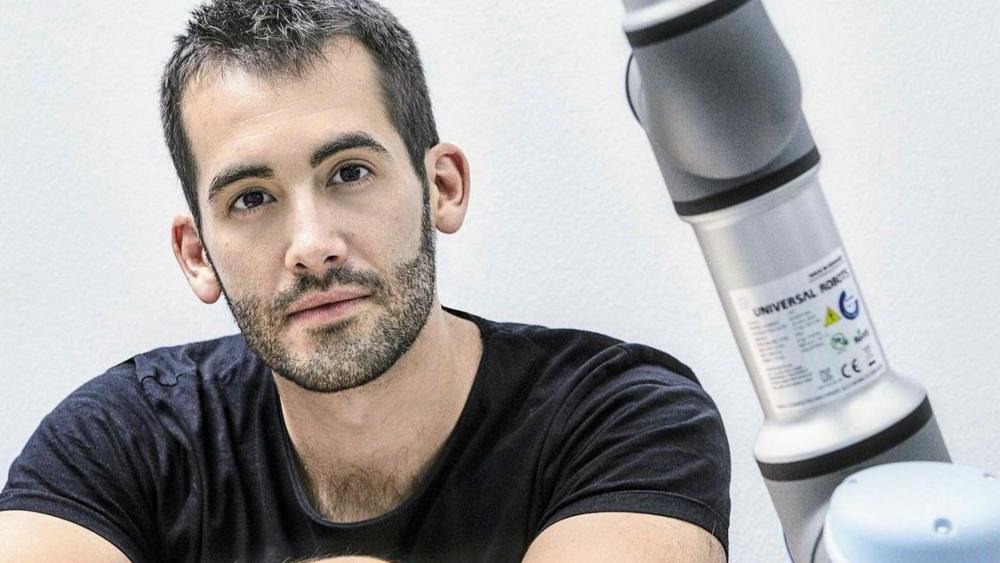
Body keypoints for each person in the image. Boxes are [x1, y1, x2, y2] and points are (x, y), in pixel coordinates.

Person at [0, 1, 731, 561]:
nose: (312, 247)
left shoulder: (622, 417)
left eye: (349, 173)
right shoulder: (120, 441)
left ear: (441, 186)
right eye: (251, 199)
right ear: (197, 254)